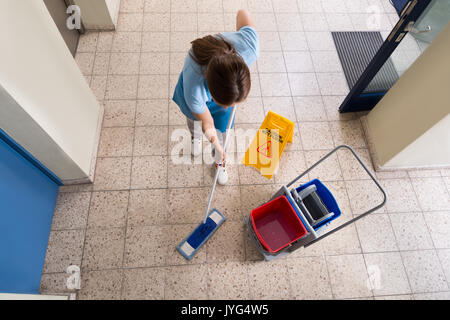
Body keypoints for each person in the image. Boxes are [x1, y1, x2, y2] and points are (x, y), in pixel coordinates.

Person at [172, 9, 259, 185]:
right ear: (211, 91)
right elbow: (206, 122)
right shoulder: (194, 88)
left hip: (223, 86)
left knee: (222, 135)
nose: (228, 108)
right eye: (225, 104)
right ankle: (195, 138)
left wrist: (219, 148)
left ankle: (219, 163)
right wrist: (214, 141)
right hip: (196, 99)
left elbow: (243, 13)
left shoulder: (250, 47)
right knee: (194, 122)